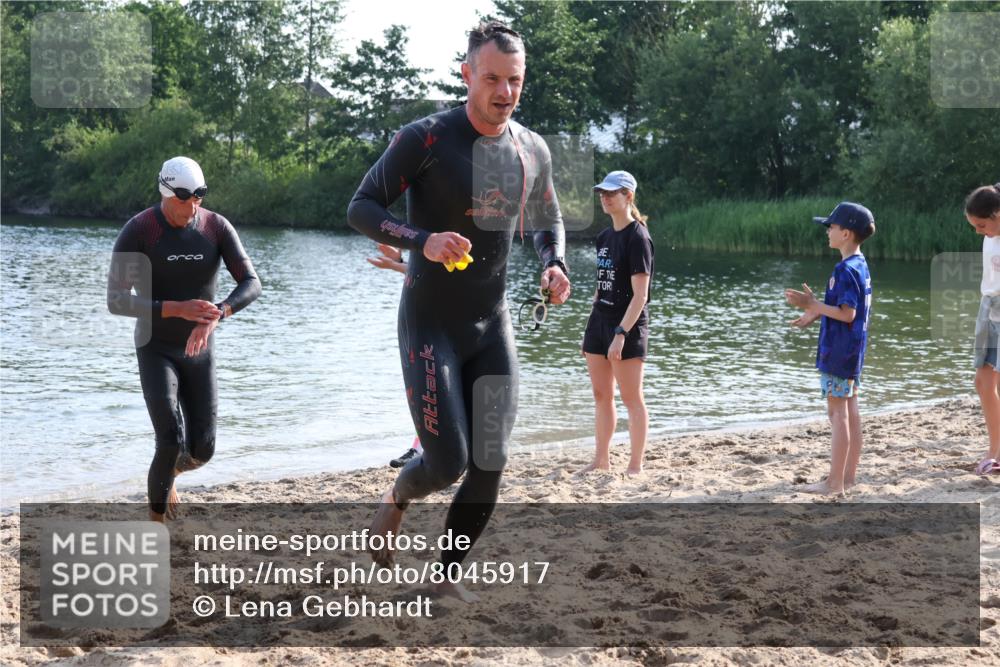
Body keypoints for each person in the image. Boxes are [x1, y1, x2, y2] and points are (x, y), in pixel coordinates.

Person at [347, 20, 571, 601]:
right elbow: (362, 206)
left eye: (515, 80)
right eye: (492, 78)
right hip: (431, 324)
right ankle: (397, 496)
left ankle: (444, 578)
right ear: (467, 73)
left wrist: (554, 263)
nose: (505, 92)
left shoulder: (531, 149)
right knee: (447, 464)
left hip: (491, 325)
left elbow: (547, 217)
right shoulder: (426, 138)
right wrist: (422, 240)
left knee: (491, 460)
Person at [107, 156, 262, 522]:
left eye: (199, 196)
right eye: (184, 196)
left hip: (200, 350)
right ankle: (155, 525)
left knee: (203, 450)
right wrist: (178, 309)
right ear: (165, 191)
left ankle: (170, 473)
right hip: (156, 347)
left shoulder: (215, 227)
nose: (192, 205)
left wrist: (218, 314)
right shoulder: (140, 230)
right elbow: (116, 300)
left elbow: (251, 283)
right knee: (169, 440)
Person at [785, 202, 874, 496]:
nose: (827, 232)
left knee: (838, 415)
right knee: (850, 411)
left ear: (846, 233)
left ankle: (834, 483)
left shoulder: (845, 269)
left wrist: (812, 304)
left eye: (831, 227)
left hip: (839, 352)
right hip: (853, 351)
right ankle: (847, 478)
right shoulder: (860, 264)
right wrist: (816, 312)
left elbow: (847, 314)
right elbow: (846, 311)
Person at [580, 171, 653, 476]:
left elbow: (640, 296)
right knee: (601, 395)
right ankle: (601, 460)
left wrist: (621, 334)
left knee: (631, 398)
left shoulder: (638, 238)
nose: (605, 198)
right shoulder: (604, 237)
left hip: (627, 326)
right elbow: (602, 286)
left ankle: (635, 466)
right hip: (600, 322)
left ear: (629, 196)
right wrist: (590, 326)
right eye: (603, 193)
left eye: (612, 193)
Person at [365, 243, 424, 468]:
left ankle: (423, 450)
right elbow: (427, 275)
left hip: (458, 329)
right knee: (425, 391)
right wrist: (398, 263)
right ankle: (419, 448)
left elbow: (441, 277)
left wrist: (397, 265)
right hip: (428, 327)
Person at [965, 182, 1000, 476]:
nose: (978, 231)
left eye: (981, 225)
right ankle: (994, 449)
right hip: (987, 307)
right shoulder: (992, 234)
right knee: (983, 382)